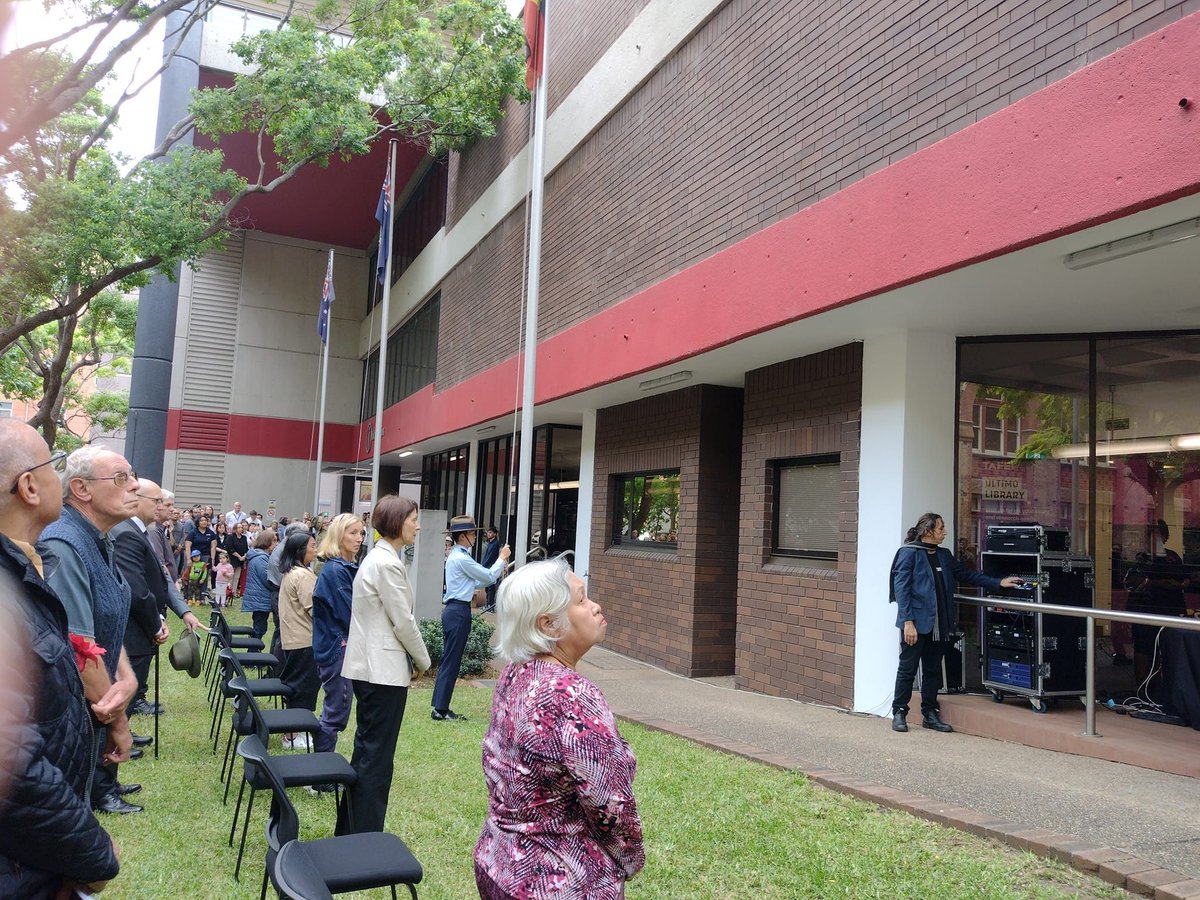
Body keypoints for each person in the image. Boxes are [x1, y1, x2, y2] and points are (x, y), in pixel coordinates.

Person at [0, 420, 122, 894]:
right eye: (53, 464)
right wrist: (90, 850)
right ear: (29, 486)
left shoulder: (23, 566)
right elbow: (14, 764)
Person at [475, 559, 644, 899]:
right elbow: (610, 805)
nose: (595, 607)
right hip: (558, 881)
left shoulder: (515, 672)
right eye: (581, 600)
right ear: (549, 625)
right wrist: (631, 859)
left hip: (498, 863)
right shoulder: (570, 694)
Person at [39, 446, 142, 815]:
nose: (134, 486)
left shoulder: (98, 540)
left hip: (87, 715)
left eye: (132, 476)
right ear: (81, 489)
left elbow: (103, 624)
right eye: (121, 478)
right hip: (67, 721)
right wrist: (120, 723)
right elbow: (79, 646)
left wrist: (126, 677)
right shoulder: (64, 544)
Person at [338, 495, 430, 835]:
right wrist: (423, 659)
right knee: (375, 759)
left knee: (367, 753)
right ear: (396, 522)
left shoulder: (378, 559)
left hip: (373, 671)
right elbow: (403, 621)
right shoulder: (387, 563)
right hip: (382, 674)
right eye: (413, 519)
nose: (418, 526)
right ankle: (363, 837)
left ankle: (352, 831)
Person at [890, 512, 1020, 734]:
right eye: (941, 528)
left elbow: (968, 575)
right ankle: (899, 712)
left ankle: (930, 714)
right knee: (907, 669)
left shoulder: (944, 555)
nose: (945, 532)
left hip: (941, 624)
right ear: (928, 531)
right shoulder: (909, 553)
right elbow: (902, 590)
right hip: (916, 623)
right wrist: (907, 622)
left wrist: (998, 582)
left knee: (933, 671)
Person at [433, 515, 509, 722]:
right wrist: (502, 558)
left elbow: (474, 582)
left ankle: (440, 706)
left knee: (450, 658)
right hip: (458, 611)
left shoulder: (458, 557)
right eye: (473, 533)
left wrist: (497, 568)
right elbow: (488, 577)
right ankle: (440, 708)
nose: (476, 536)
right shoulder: (462, 558)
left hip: (455, 610)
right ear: (463, 536)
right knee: (452, 659)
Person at [311, 513, 365, 754]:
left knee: (335, 710)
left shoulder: (343, 567)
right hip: (336, 650)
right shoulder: (335, 571)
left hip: (337, 648)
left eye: (361, 533)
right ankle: (320, 777)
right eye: (352, 533)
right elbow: (351, 614)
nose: (359, 538)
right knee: (335, 712)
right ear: (337, 535)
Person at [277, 530, 321, 750]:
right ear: (300, 550)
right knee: (303, 689)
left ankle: (293, 731)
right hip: (304, 639)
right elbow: (314, 608)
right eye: (312, 545)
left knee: (297, 687)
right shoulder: (302, 575)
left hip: (294, 638)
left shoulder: (292, 572)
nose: (316, 549)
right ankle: (293, 735)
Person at [242, 529, 278, 639]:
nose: (276, 544)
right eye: (274, 541)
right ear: (266, 542)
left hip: (259, 598)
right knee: (259, 629)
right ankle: (253, 652)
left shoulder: (260, 556)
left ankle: (253, 651)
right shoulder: (261, 558)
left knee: (259, 628)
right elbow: (268, 579)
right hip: (260, 599)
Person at [226, 519, 249, 599]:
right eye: (239, 527)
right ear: (235, 529)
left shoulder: (244, 538)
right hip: (233, 559)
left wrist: (244, 556)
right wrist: (239, 556)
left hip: (241, 560)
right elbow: (230, 548)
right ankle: (228, 591)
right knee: (231, 577)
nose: (241, 529)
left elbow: (246, 549)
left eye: (241, 527)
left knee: (237, 577)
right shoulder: (231, 537)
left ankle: (234, 592)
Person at [481, 525, 501, 612]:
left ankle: (490, 605)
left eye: (491, 532)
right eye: (488, 532)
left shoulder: (495, 544)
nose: (489, 534)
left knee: (490, 587)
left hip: (491, 567)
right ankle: (487, 604)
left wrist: (484, 565)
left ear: (495, 534)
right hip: (487, 566)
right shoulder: (490, 543)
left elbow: (490, 557)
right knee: (487, 587)